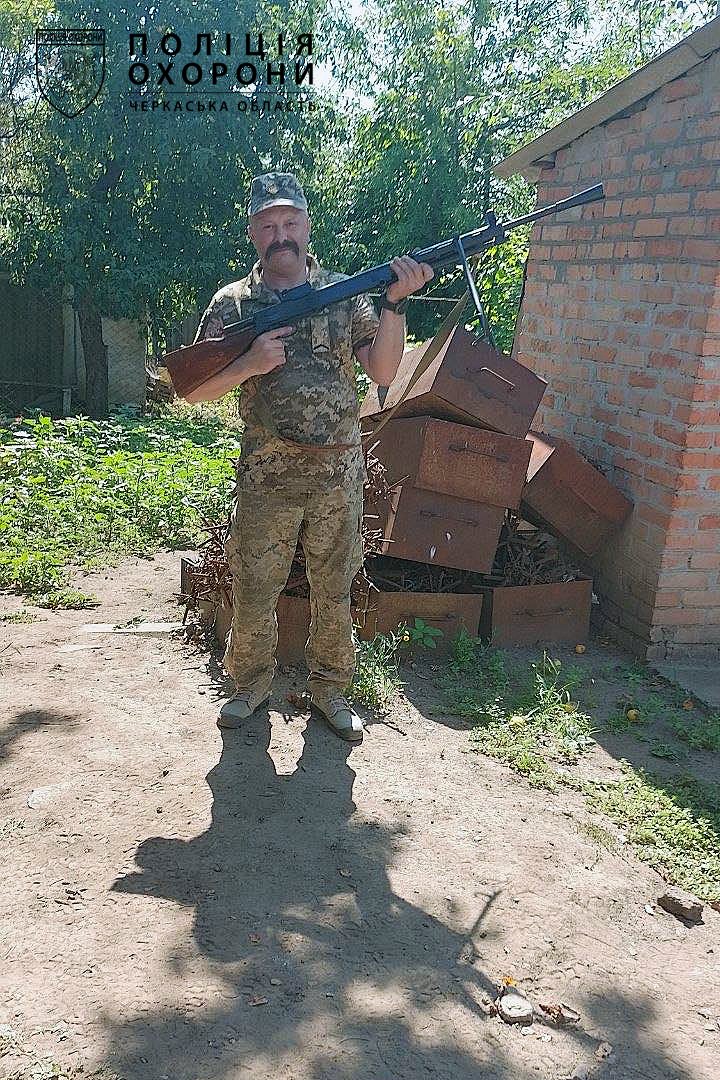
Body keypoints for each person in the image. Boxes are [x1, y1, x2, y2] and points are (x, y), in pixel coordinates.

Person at [185, 172, 433, 742]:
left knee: (335, 589)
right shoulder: (233, 306)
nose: (281, 236)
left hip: (336, 476)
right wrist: (248, 363)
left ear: (307, 226)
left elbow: (385, 371)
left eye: (290, 223)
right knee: (253, 586)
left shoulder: (345, 295)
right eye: (269, 225)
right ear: (253, 233)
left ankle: (331, 692)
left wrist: (394, 305)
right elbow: (193, 390)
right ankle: (248, 688)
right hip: (266, 477)